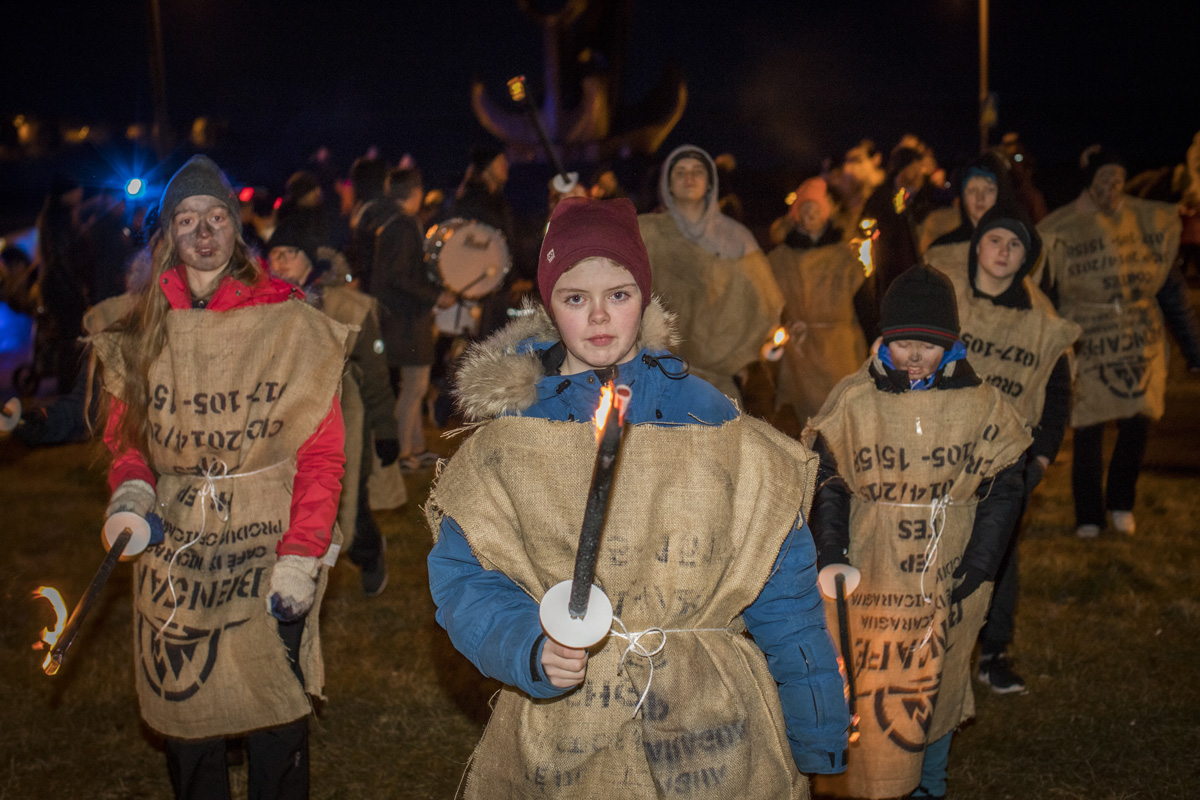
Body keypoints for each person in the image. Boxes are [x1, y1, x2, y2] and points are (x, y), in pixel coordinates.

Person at [427, 197, 848, 799]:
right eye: (576, 298)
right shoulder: (515, 432)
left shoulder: (702, 415)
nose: (599, 316)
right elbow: (465, 574)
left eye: (619, 295)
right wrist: (528, 645)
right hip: (567, 721)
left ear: (644, 298)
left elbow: (780, 580)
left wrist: (817, 728)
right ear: (550, 304)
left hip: (704, 721)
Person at [90, 155, 347, 799]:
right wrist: (132, 484)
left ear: (236, 226)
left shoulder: (286, 320)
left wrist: (302, 554)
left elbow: (322, 452)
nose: (203, 232)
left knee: (275, 715)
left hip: (268, 541)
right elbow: (127, 434)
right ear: (168, 236)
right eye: (186, 220)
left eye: (216, 217)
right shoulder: (144, 325)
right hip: (177, 548)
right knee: (190, 723)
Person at [804, 264, 1030, 800]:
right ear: (884, 340)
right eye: (902, 343)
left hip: (947, 570)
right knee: (866, 678)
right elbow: (828, 476)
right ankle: (859, 781)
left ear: (950, 347)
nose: (913, 357)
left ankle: (930, 783)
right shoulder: (855, 398)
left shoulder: (983, 405)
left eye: (927, 346)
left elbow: (1005, 482)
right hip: (872, 567)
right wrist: (831, 547)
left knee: (938, 678)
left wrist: (980, 563)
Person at [932, 204, 1080, 694]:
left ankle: (993, 652)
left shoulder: (1040, 321)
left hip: (1007, 462)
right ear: (978, 246)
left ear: (1025, 259)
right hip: (939, 455)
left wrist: (1041, 456)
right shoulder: (947, 303)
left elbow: (1057, 391)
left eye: (1015, 245)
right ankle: (932, 647)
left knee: (1001, 556)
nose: (1003, 252)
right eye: (996, 240)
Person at [1039, 147, 1200, 538]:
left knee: (1137, 420)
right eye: (1103, 178)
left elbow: (1168, 288)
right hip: (1087, 338)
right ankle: (1089, 514)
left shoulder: (1144, 222)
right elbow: (1047, 294)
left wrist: (1193, 350)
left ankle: (1121, 504)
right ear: (1090, 181)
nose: (1111, 187)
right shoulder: (1063, 228)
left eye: (1117, 179)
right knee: (1089, 425)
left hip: (1138, 336)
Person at [267, 217, 397, 596]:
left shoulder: (345, 306)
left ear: (310, 261)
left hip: (344, 422)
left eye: (290, 254)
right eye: (275, 254)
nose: (280, 262)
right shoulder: (266, 305)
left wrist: (386, 430)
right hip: (285, 421)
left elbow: (374, 374)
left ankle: (369, 554)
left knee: (347, 503)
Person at [637, 144, 783, 399]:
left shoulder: (735, 238)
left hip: (715, 381)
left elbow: (763, 300)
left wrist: (763, 339)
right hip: (656, 374)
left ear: (710, 183)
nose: (689, 177)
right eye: (680, 172)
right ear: (667, 184)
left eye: (697, 171)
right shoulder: (646, 232)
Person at [766, 176, 869, 431]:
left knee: (843, 417)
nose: (810, 215)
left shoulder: (844, 257)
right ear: (795, 214)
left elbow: (864, 304)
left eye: (816, 209)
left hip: (839, 350)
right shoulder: (780, 258)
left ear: (827, 214)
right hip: (800, 353)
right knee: (805, 422)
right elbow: (768, 302)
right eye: (805, 209)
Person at [370, 167, 456, 470]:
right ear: (416, 193)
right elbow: (400, 277)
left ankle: (416, 447)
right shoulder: (404, 225)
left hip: (401, 318)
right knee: (414, 386)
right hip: (407, 321)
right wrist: (435, 296)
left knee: (415, 386)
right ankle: (403, 453)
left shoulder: (388, 222)